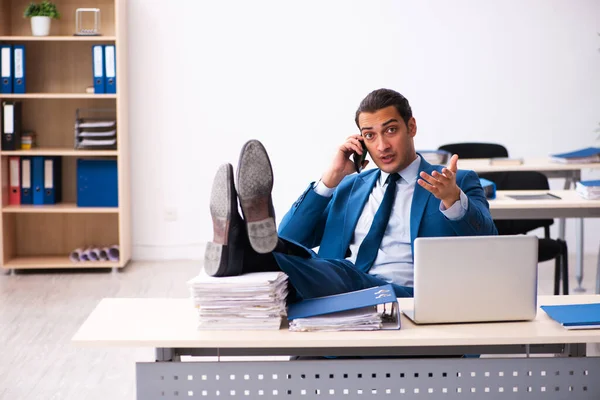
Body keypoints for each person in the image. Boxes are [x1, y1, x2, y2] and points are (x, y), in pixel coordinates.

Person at [204, 88, 498, 302]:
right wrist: (329, 180)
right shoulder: (351, 186)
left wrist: (453, 201)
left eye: (391, 130)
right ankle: (244, 249)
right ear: (361, 141)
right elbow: (292, 236)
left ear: (411, 127)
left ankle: (239, 248)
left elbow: (490, 247)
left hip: (407, 296)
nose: (381, 145)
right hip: (343, 293)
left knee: (336, 271)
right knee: (289, 264)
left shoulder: (454, 182)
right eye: (370, 135)